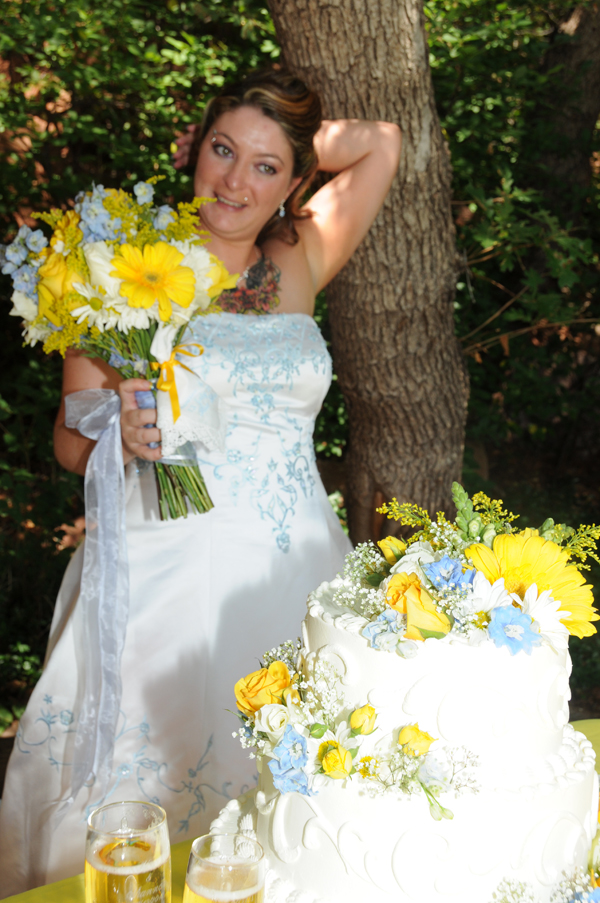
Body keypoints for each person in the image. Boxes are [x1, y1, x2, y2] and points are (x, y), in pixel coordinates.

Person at [0, 69, 401, 895]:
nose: (234, 179)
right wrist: (122, 425)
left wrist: (293, 136)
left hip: (295, 570)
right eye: (223, 150)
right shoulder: (119, 264)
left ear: (293, 185)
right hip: (162, 574)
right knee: (154, 799)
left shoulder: (297, 260)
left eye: (264, 167)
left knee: (298, 804)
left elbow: (381, 145)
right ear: (194, 150)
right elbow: (70, 442)